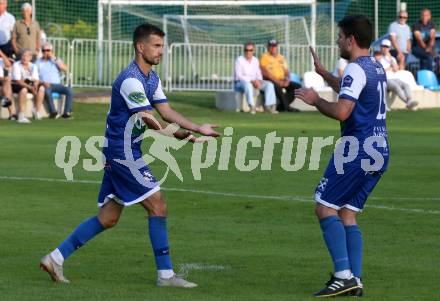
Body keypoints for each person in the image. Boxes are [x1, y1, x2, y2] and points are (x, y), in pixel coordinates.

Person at [39, 23, 220, 288]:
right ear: (140, 47)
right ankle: (166, 276)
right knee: (158, 205)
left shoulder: (151, 78)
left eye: (162, 46)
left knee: (108, 217)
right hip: (123, 154)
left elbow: (166, 112)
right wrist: (179, 135)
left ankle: (55, 258)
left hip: (124, 151)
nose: (161, 51)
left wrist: (197, 127)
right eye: (156, 46)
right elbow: (148, 118)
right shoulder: (131, 80)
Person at [295, 15, 389, 297]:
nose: (336, 41)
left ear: (350, 40)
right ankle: (354, 279)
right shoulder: (375, 66)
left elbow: (342, 111)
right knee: (348, 214)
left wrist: (315, 100)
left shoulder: (354, 69)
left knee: (324, 207)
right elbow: (354, 92)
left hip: (357, 148)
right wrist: (325, 75)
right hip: (380, 149)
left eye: (339, 37)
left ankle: (343, 275)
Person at [234, 42, 278, 114]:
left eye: (250, 50)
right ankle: (252, 106)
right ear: (244, 50)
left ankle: (269, 106)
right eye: (246, 50)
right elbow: (239, 75)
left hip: (255, 81)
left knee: (269, 85)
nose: (248, 52)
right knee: (247, 85)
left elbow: (258, 73)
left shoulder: (255, 60)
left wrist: (259, 80)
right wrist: (252, 81)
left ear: (254, 51)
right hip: (241, 82)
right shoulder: (239, 60)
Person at [375, 39, 418, 110]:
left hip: (394, 78)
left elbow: (396, 69)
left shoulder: (391, 58)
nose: (385, 48)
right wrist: (389, 68)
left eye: (386, 47)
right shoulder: (378, 58)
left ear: (389, 48)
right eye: (383, 46)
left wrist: (390, 60)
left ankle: (410, 100)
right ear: (380, 47)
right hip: (385, 79)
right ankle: (409, 103)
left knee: (406, 85)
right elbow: (379, 71)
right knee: (396, 86)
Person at [260, 39, 301, 112]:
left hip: (282, 80)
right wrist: (277, 81)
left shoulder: (281, 57)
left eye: (274, 46)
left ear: (277, 47)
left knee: (297, 87)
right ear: (268, 47)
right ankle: (287, 108)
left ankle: (282, 107)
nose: (273, 48)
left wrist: (287, 80)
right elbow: (265, 73)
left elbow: (286, 71)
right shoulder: (264, 57)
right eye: (271, 46)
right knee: (277, 86)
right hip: (271, 80)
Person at [37, 42, 74, 118]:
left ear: (51, 51)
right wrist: (42, 83)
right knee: (47, 91)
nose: (46, 52)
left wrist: (54, 59)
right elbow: (35, 76)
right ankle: (53, 112)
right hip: (46, 84)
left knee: (69, 90)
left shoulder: (56, 60)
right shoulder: (38, 62)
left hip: (57, 84)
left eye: (48, 50)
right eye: (44, 50)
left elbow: (65, 69)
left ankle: (67, 112)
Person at [11, 49, 44, 123]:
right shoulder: (16, 65)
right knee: (24, 90)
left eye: (26, 56)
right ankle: (21, 115)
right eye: (23, 56)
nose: (24, 58)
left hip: (28, 82)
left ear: (30, 58)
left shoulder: (33, 66)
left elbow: (36, 79)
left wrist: (35, 85)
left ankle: (37, 111)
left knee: (41, 88)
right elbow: (18, 81)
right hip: (16, 84)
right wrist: (30, 87)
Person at [0, 49, 16, 119]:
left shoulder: (1, 60)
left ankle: (5, 99)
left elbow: (8, 64)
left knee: (7, 84)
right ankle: (12, 113)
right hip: (1, 80)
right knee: (6, 84)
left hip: (2, 82)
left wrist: (1, 53)